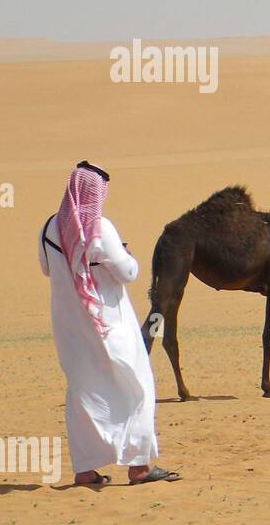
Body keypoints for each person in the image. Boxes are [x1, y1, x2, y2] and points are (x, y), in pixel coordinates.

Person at [38, 161, 179, 486]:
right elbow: (128, 272)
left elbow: (47, 268)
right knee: (138, 386)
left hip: (71, 329)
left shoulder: (48, 228)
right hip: (110, 326)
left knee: (84, 394)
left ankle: (85, 471)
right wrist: (125, 256)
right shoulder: (100, 228)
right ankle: (139, 468)